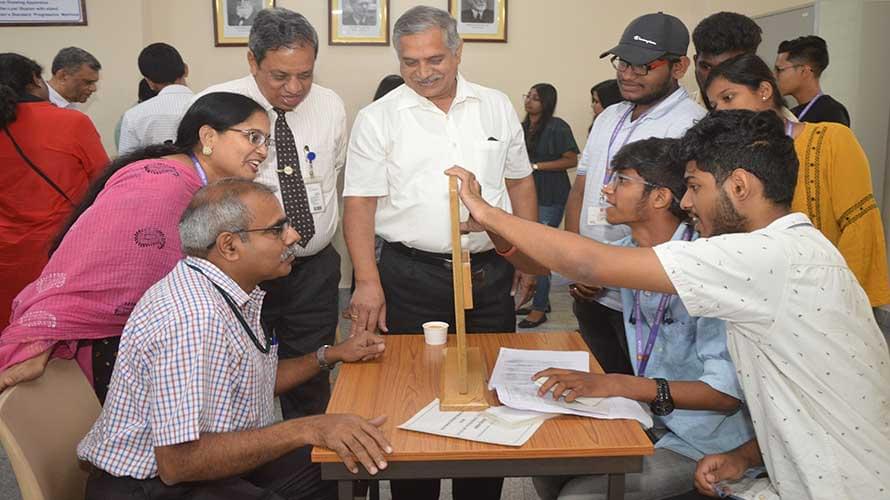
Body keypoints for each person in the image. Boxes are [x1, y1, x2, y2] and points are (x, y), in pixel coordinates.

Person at [446, 108, 890, 500]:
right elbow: (789, 397)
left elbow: (589, 263)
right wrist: (743, 455)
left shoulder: (764, 256)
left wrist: (487, 211)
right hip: (796, 466)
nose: (688, 201)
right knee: (550, 459)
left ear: (739, 185)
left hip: (841, 482)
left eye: (695, 186)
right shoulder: (792, 249)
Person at [78, 178, 391, 500]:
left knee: (348, 460)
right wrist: (308, 427)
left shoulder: (221, 290)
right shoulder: (194, 318)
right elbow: (177, 462)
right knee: (332, 454)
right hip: (154, 486)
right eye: (276, 229)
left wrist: (329, 355)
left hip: (197, 465)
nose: (293, 236)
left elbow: (248, 382)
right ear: (229, 246)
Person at [343, 6, 540, 500]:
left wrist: (527, 254)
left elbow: (520, 182)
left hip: (489, 271)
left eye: (434, 59)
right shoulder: (378, 117)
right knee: (413, 397)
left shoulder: (495, 106)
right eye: (410, 62)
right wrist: (367, 281)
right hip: (410, 275)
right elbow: (360, 205)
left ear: (458, 52)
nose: (423, 72)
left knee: (492, 394)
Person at [0, 92, 269, 403]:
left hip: (148, 340)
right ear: (208, 136)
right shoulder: (162, 186)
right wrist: (44, 336)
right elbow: (94, 269)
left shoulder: (193, 183)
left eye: (266, 141)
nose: (262, 151)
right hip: (115, 350)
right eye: (253, 137)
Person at [533, 138, 755, 500]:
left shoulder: (708, 267)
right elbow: (562, 262)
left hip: (705, 441)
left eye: (621, 180)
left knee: (580, 496)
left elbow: (724, 394)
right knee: (547, 464)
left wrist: (618, 385)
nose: (606, 189)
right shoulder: (630, 252)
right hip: (652, 418)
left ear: (660, 197)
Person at [197, 7, 348, 423]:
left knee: (311, 371)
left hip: (312, 268)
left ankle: (309, 467)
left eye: (305, 74)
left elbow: (330, 174)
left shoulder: (330, 104)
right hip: (246, 273)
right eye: (280, 76)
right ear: (252, 60)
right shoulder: (217, 107)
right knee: (238, 376)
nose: (294, 88)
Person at [564, 12, 704, 375]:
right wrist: (576, 261)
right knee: (601, 385)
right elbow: (581, 188)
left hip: (645, 297)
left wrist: (606, 272)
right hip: (588, 286)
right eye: (623, 62)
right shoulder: (610, 116)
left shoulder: (692, 125)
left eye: (644, 66)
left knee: (642, 388)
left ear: (679, 67)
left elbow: (680, 221)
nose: (627, 74)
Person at [705, 53, 890, 307]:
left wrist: (842, 301)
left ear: (764, 90)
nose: (721, 112)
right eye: (714, 106)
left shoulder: (830, 140)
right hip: (763, 303)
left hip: (833, 299)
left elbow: (860, 226)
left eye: (728, 98)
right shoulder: (729, 161)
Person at [0, 53, 108, 330]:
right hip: (60, 248)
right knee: (53, 330)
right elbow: (104, 183)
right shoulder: (72, 123)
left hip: (7, 254)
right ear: (36, 80)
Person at [516, 83, 578, 328]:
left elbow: (571, 159)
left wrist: (536, 167)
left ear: (547, 102)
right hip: (527, 194)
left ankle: (539, 309)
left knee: (538, 252)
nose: (529, 101)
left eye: (535, 98)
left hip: (551, 195)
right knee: (527, 249)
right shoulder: (522, 127)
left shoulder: (557, 126)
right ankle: (541, 299)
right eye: (528, 96)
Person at [118, 43, 194, 155]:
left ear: (149, 82)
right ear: (186, 69)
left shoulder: (133, 116)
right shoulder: (211, 106)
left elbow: (126, 165)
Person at [690, 12, 762, 109]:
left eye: (729, 68)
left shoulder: (776, 117)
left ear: (751, 65)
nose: (714, 78)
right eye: (706, 67)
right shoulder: (677, 116)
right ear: (695, 62)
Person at [775, 36, 850, 126]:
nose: (774, 76)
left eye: (780, 70)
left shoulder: (832, 113)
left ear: (804, 71)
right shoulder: (791, 115)